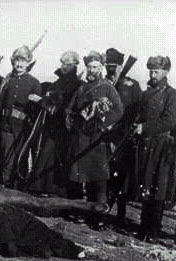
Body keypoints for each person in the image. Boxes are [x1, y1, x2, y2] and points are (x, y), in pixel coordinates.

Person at [65, 50, 123, 220]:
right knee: (76, 176)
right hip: (79, 137)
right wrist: (71, 120)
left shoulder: (107, 87)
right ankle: (77, 211)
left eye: (95, 67)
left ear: (101, 68)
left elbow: (119, 110)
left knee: (97, 178)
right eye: (89, 67)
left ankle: (97, 216)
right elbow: (69, 108)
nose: (92, 70)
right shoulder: (81, 88)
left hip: (96, 140)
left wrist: (103, 125)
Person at [132, 56, 176, 242]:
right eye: (150, 71)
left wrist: (145, 128)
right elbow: (140, 116)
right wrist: (137, 125)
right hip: (146, 145)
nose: (152, 75)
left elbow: (169, 121)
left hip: (162, 147)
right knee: (146, 184)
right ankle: (143, 227)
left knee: (159, 187)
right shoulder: (146, 94)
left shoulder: (171, 94)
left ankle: (154, 231)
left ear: (165, 72)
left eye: (156, 72)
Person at [28, 50, 81, 195]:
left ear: (75, 65)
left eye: (68, 64)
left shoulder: (77, 85)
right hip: (52, 126)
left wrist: (42, 101)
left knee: (58, 157)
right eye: (63, 63)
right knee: (49, 156)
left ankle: (55, 190)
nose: (64, 66)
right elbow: (51, 98)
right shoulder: (58, 83)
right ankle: (45, 188)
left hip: (65, 127)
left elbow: (62, 104)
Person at [104, 47, 142, 228]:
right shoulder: (104, 83)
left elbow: (136, 111)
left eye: (114, 66)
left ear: (120, 66)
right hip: (104, 135)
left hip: (123, 137)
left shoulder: (131, 85)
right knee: (105, 176)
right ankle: (101, 209)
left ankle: (120, 214)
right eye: (108, 66)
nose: (111, 70)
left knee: (121, 177)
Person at [0, 45, 41, 187]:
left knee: (21, 159)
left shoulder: (34, 82)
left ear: (28, 63)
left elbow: (37, 111)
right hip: (5, 126)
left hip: (22, 129)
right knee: (5, 159)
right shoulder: (8, 81)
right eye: (17, 60)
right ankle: (5, 186)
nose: (19, 64)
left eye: (23, 61)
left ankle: (19, 188)